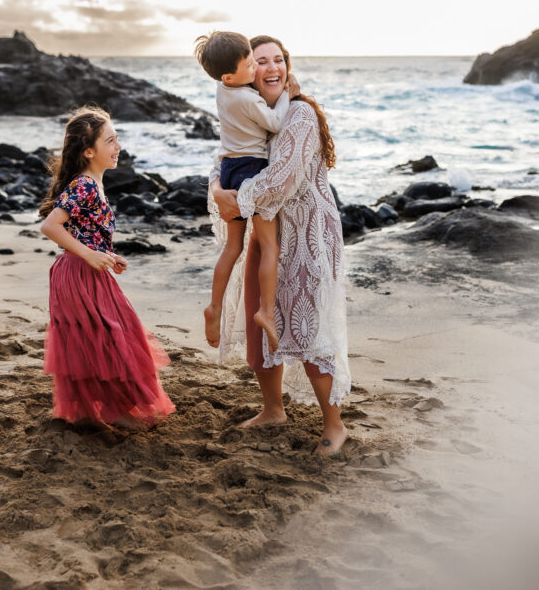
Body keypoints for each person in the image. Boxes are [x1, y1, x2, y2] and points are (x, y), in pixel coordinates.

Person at [209, 36, 350, 455]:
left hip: (307, 237)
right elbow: (224, 158)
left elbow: (285, 177)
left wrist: (237, 198)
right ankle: (273, 409)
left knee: (307, 327)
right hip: (267, 232)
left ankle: (335, 425)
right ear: (249, 69)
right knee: (260, 327)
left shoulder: (300, 114)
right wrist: (218, 188)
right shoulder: (254, 111)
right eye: (261, 61)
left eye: (278, 60)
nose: (271, 67)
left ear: (287, 67)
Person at [39, 106, 175, 429]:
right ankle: (113, 412)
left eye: (117, 139)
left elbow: (86, 230)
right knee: (107, 339)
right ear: (89, 151)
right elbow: (50, 226)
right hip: (77, 275)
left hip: (91, 271)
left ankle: (104, 410)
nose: (118, 147)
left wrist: (107, 256)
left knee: (109, 338)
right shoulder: (84, 185)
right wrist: (88, 255)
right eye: (111, 141)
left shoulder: (94, 184)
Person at [194, 31, 295, 355]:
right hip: (252, 169)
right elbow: (276, 123)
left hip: (229, 170)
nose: (255, 70)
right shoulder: (248, 99)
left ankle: (214, 306)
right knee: (269, 245)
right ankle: (265, 310)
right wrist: (287, 95)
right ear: (229, 75)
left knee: (233, 247)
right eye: (251, 64)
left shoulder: (223, 90)